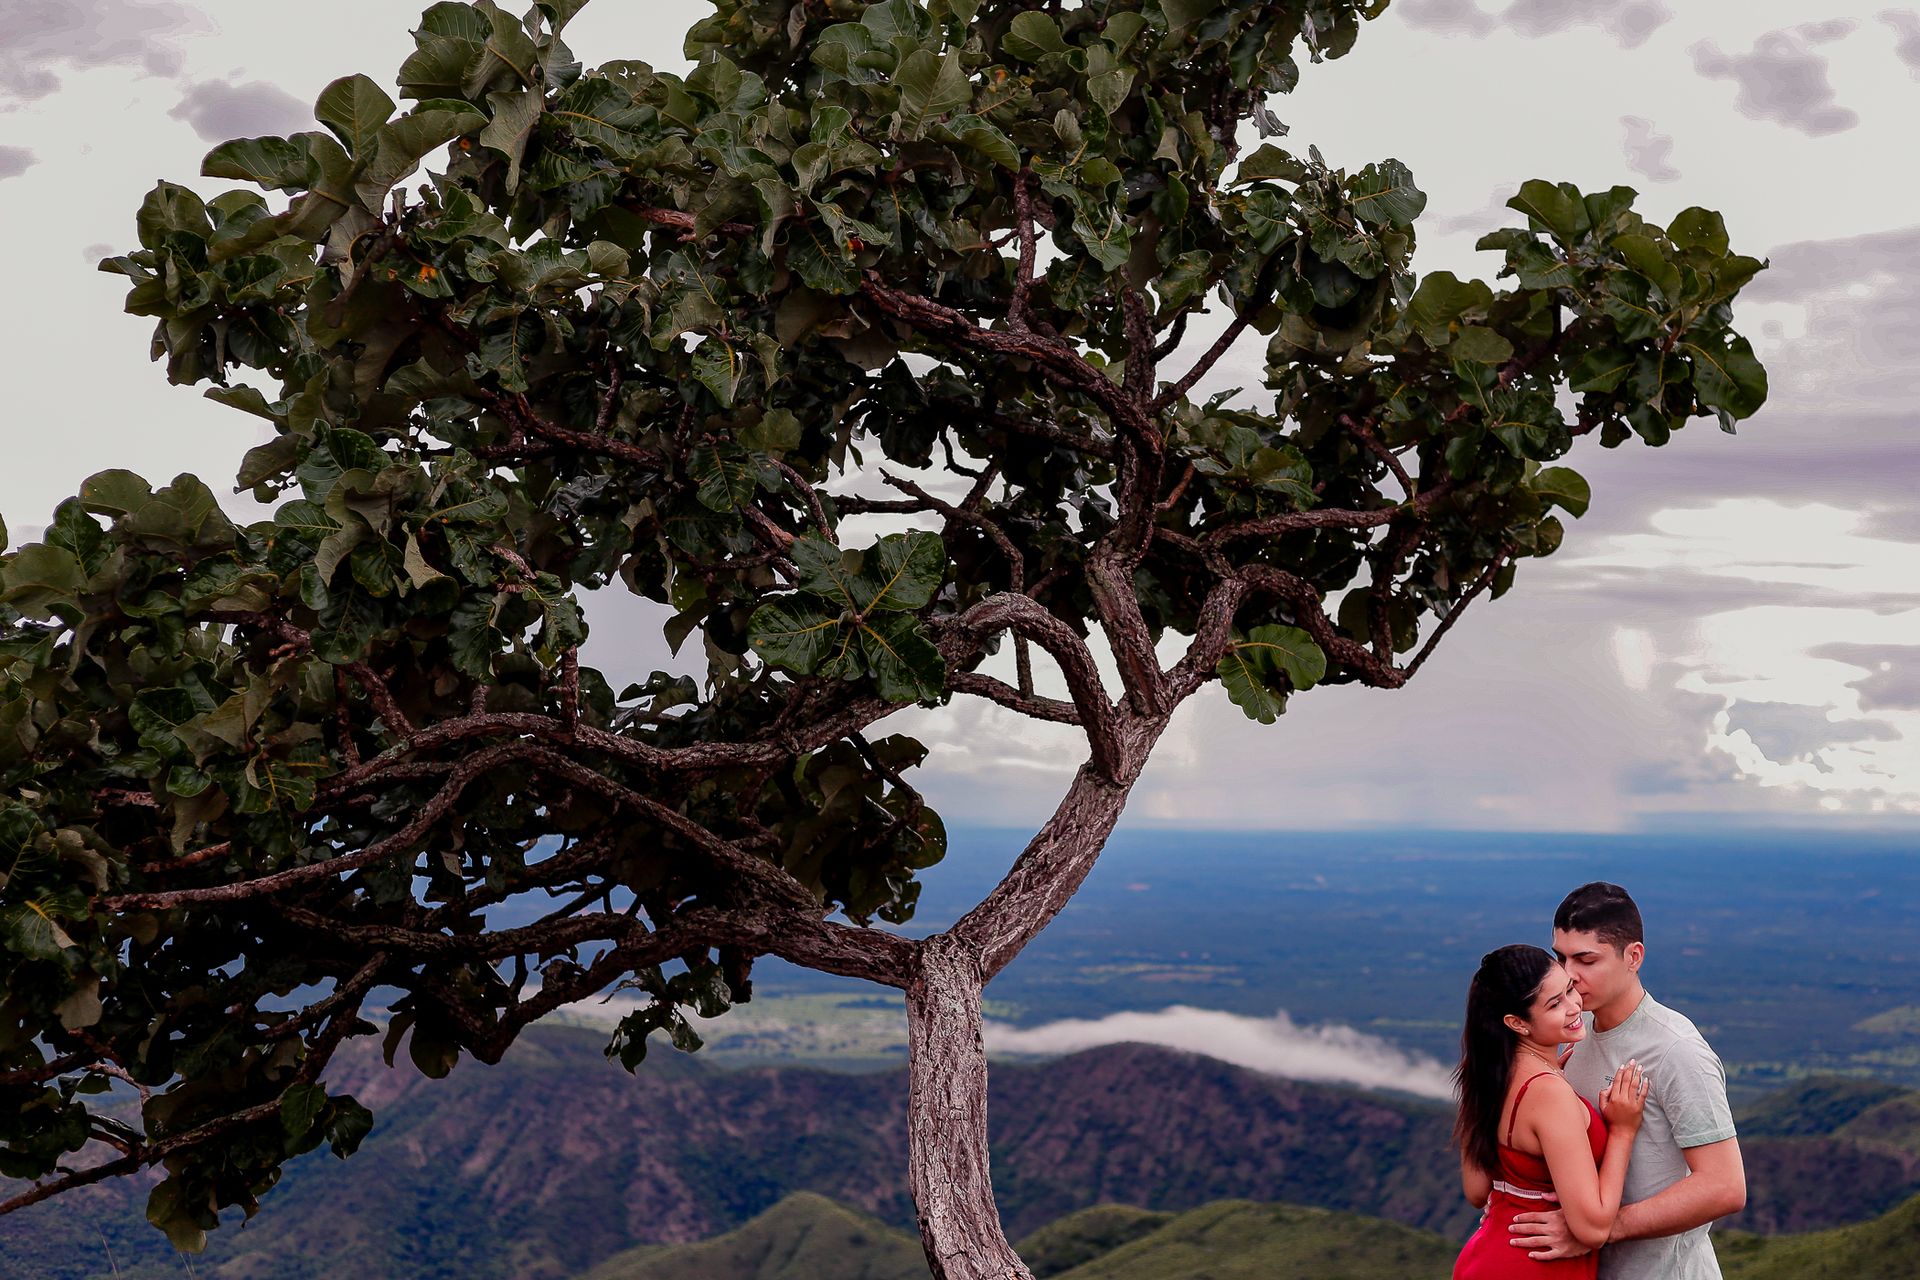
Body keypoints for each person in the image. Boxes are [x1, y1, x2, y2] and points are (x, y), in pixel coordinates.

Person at [1509, 883, 1747, 1279]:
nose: (1568, 975)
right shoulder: (1574, 1030)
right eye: (1560, 958)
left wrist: (1598, 1230)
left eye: (1586, 960)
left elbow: (1724, 1186)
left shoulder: (1676, 1050)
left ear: (1633, 956)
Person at [1453, 944, 1649, 1278]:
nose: (1574, 1006)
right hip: (1536, 1266)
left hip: (1489, 1256)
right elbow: (1593, 1229)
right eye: (1555, 1003)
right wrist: (1623, 1131)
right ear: (1517, 1022)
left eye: (1569, 989)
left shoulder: (1488, 1071)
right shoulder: (1548, 1094)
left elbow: (1476, 1191)